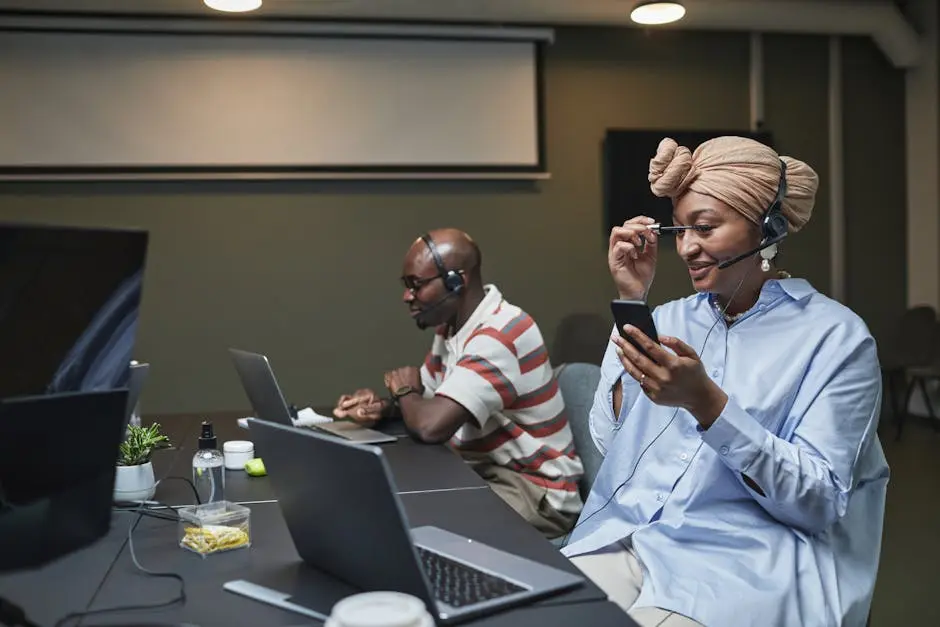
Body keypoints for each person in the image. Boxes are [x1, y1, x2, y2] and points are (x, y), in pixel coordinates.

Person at [562, 136, 889, 627]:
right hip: (637, 536)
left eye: (706, 228)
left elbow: (817, 502)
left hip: (744, 561)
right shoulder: (672, 318)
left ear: (768, 228)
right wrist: (633, 300)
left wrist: (709, 406)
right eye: (680, 230)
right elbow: (612, 446)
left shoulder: (837, 339)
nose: (688, 247)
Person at [332, 228, 584, 539]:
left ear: (456, 281)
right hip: (485, 472)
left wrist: (404, 390)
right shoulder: (453, 328)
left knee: (410, 525)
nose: (407, 296)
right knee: (386, 500)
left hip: (538, 492)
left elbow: (429, 425)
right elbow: (428, 401)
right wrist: (381, 408)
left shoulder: (500, 334)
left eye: (416, 285)